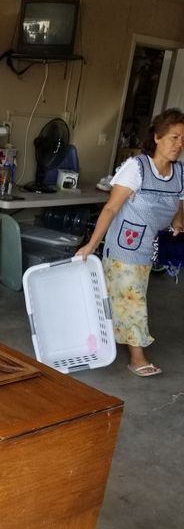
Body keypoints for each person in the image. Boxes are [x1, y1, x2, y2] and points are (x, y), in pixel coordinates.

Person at [76, 108, 184, 377]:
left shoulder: (179, 172)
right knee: (132, 298)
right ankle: (137, 357)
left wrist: (178, 220)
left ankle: (90, 337)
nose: (179, 144)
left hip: (151, 247)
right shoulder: (136, 168)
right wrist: (92, 245)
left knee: (118, 296)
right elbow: (111, 208)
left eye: (183, 139)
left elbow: (180, 199)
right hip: (125, 246)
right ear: (157, 137)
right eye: (174, 137)